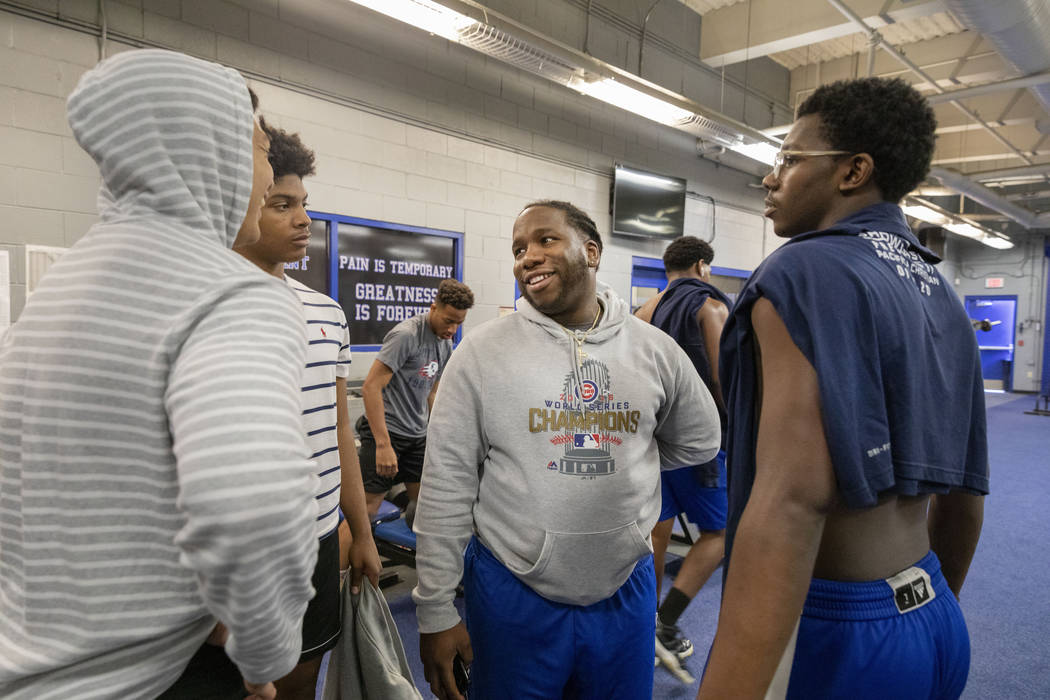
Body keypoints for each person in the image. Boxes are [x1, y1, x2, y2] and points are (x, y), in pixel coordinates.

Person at [0, 50, 319, 700]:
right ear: (210, 150)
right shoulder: (232, 291)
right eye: (259, 151)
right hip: (155, 680)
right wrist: (263, 656)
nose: (265, 178)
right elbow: (252, 502)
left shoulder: (64, 285)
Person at [699, 77, 988, 699]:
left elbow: (792, 503)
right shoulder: (940, 292)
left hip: (839, 636)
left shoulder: (804, 269)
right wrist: (917, 625)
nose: (771, 179)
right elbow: (965, 497)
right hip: (934, 616)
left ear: (853, 171)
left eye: (791, 160)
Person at [413, 200, 722, 700]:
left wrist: (623, 457)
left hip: (625, 588)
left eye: (545, 240)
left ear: (592, 251)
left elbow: (700, 439)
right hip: (513, 590)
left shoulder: (653, 348)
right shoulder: (481, 353)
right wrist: (435, 609)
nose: (528, 256)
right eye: (518, 249)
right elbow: (446, 484)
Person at [235, 120, 383, 700]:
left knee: (301, 681)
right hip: (248, 548)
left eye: (304, 204)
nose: (303, 220)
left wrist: (360, 531)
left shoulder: (327, 314)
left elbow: (339, 432)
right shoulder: (206, 304)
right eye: (281, 204)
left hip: (321, 537)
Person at [634, 236, 730, 664]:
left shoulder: (644, 312)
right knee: (720, 534)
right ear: (702, 266)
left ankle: (642, 624)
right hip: (701, 444)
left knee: (658, 529)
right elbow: (726, 382)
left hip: (655, 440)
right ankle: (665, 624)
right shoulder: (710, 307)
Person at [358, 278, 474, 518]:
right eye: (448, 321)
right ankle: (343, 556)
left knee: (426, 507)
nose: (452, 329)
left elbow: (432, 393)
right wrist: (383, 444)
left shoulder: (445, 343)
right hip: (387, 432)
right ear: (434, 308)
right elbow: (370, 387)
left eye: (458, 323)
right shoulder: (406, 335)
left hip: (416, 436)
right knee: (367, 510)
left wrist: (438, 433)